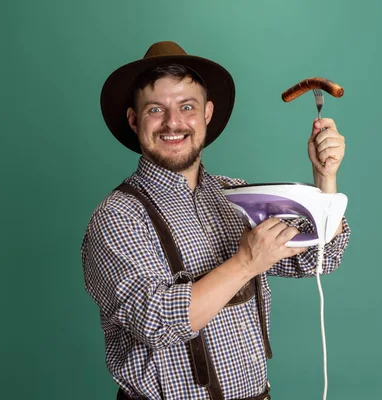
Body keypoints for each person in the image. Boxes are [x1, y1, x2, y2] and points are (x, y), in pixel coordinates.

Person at [81, 41, 351, 400]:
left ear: (207, 113)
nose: (173, 123)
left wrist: (324, 178)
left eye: (187, 107)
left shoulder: (238, 197)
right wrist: (246, 263)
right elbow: (155, 322)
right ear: (134, 120)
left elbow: (318, 254)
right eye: (156, 110)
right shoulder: (116, 217)